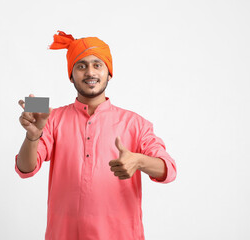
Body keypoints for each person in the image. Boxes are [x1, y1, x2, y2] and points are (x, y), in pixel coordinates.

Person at [15, 30, 177, 240]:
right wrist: (32, 135)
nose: (90, 72)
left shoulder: (135, 123)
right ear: (71, 75)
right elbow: (25, 169)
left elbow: (169, 170)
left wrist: (138, 161)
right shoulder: (51, 118)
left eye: (97, 65)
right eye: (81, 66)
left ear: (109, 73)